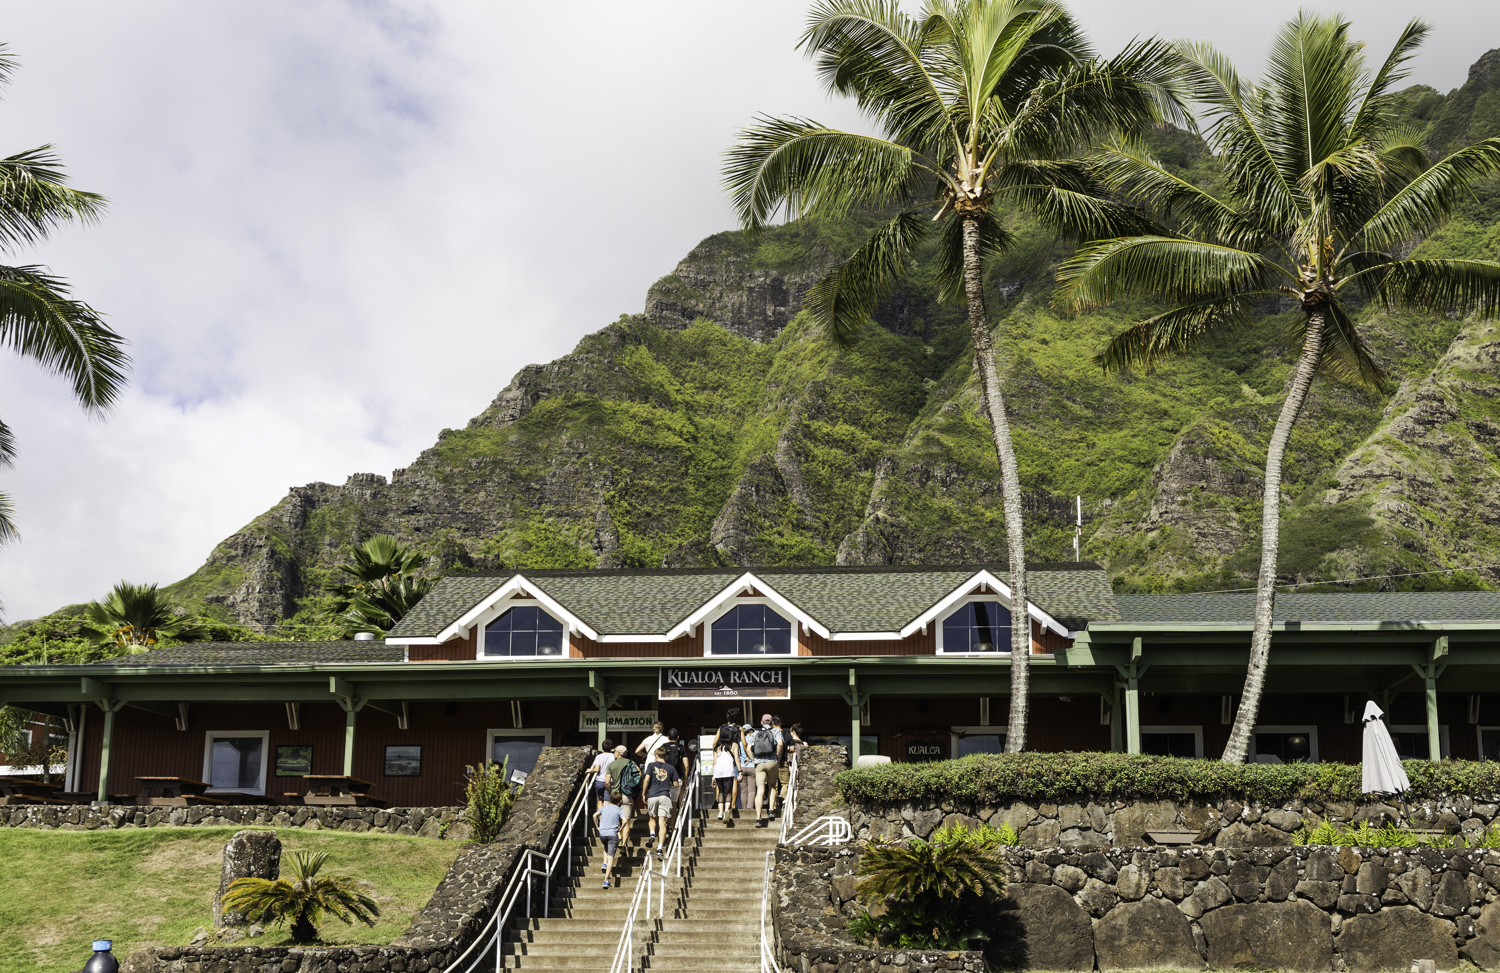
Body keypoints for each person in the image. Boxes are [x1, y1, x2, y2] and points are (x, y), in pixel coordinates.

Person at [644, 745, 682, 855]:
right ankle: (660, 848)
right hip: (665, 796)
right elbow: (675, 784)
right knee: (663, 823)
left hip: (652, 795)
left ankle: (652, 834)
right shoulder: (670, 768)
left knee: (652, 818)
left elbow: (646, 780)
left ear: (656, 755)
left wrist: (643, 793)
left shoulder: (651, 766)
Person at [749, 713, 785, 828]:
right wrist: (778, 758)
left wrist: (753, 759)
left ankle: (759, 819)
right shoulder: (776, 731)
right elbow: (780, 744)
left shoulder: (755, 733)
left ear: (761, 722)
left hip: (759, 763)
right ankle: (770, 810)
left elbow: (748, 748)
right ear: (772, 722)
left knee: (760, 790)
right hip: (772, 762)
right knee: (772, 786)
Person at [604, 744, 640, 844]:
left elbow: (607, 782)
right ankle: (624, 844)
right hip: (627, 795)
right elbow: (639, 774)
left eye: (615, 751)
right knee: (626, 821)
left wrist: (610, 792)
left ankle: (618, 837)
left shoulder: (611, 765)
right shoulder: (631, 762)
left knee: (616, 819)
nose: (614, 753)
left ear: (618, 753)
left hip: (615, 795)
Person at [597, 793, 626, 889]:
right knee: (611, 857)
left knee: (606, 846)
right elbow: (625, 821)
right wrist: (620, 829)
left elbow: (594, 815)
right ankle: (606, 880)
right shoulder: (619, 809)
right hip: (613, 835)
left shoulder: (605, 807)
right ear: (619, 801)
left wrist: (597, 827)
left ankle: (604, 863)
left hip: (602, 834)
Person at [588, 738, 615, 817]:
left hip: (599, 781)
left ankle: (600, 816)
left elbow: (596, 769)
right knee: (607, 800)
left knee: (600, 799)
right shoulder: (613, 756)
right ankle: (606, 816)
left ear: (602, 748)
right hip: (609, 780)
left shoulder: (599, 757)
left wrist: (590, 770)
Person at [711, 739, 737, 822]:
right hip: (728, 770)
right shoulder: (732, 745)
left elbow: (714, 761)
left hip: (718, 770)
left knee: (721, 791)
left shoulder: (716, 748)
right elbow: (736, 758)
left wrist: (713, 776)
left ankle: (720, 812)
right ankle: (726, 809)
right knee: (728, 791)